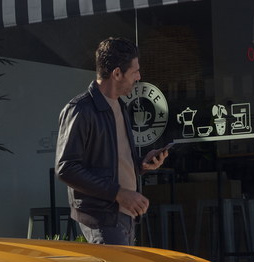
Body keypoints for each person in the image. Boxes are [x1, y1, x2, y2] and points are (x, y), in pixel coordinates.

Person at [54, 37, 169, 245]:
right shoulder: (80, 109)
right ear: (117, 73)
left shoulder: (120, 107)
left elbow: (110, 161)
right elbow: (66, 168)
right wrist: (118, 193)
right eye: (135, 71)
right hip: (102, 218)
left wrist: (141, 164)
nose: (139, 77)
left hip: (124, 216)